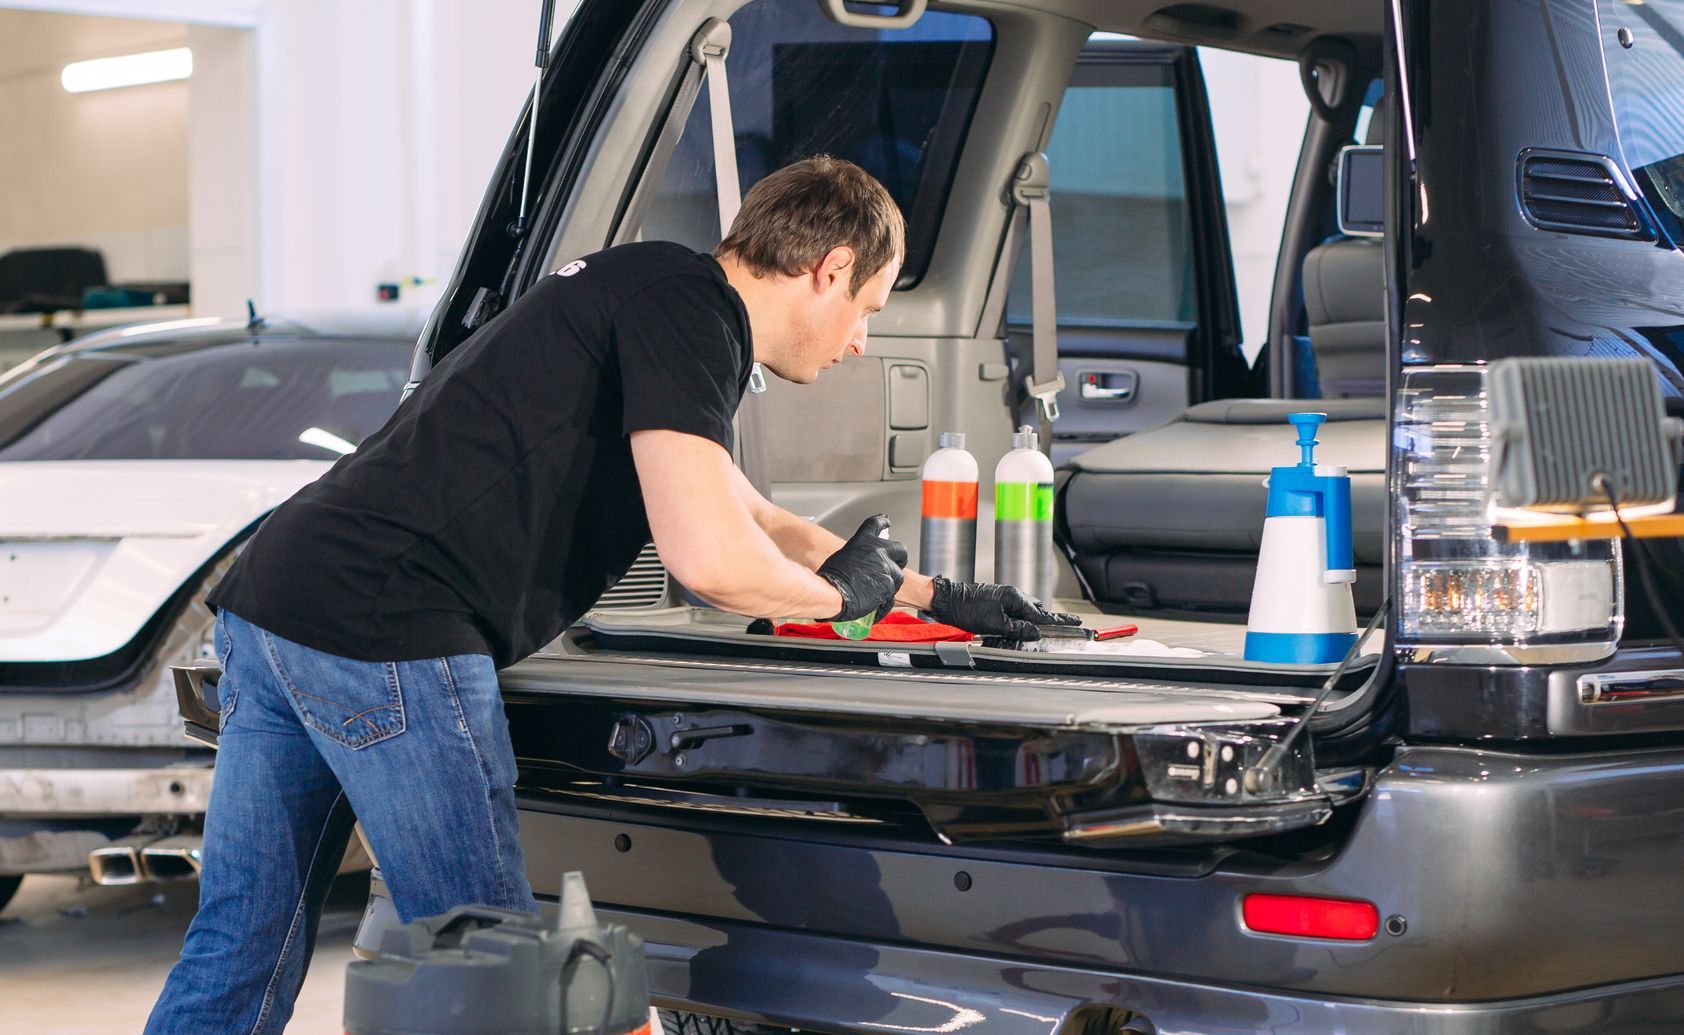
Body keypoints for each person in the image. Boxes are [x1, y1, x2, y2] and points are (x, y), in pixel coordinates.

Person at [146, 156, 1074, 1035]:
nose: (861, 338)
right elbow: (710, 559)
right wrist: (840, 603)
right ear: (831, 269)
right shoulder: (694, 316)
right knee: (486, 963)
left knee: (241, 946)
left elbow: (750, 512)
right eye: (866, 307)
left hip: (278, 600)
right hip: (387, 627)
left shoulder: (652, 288)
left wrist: (938, 592)